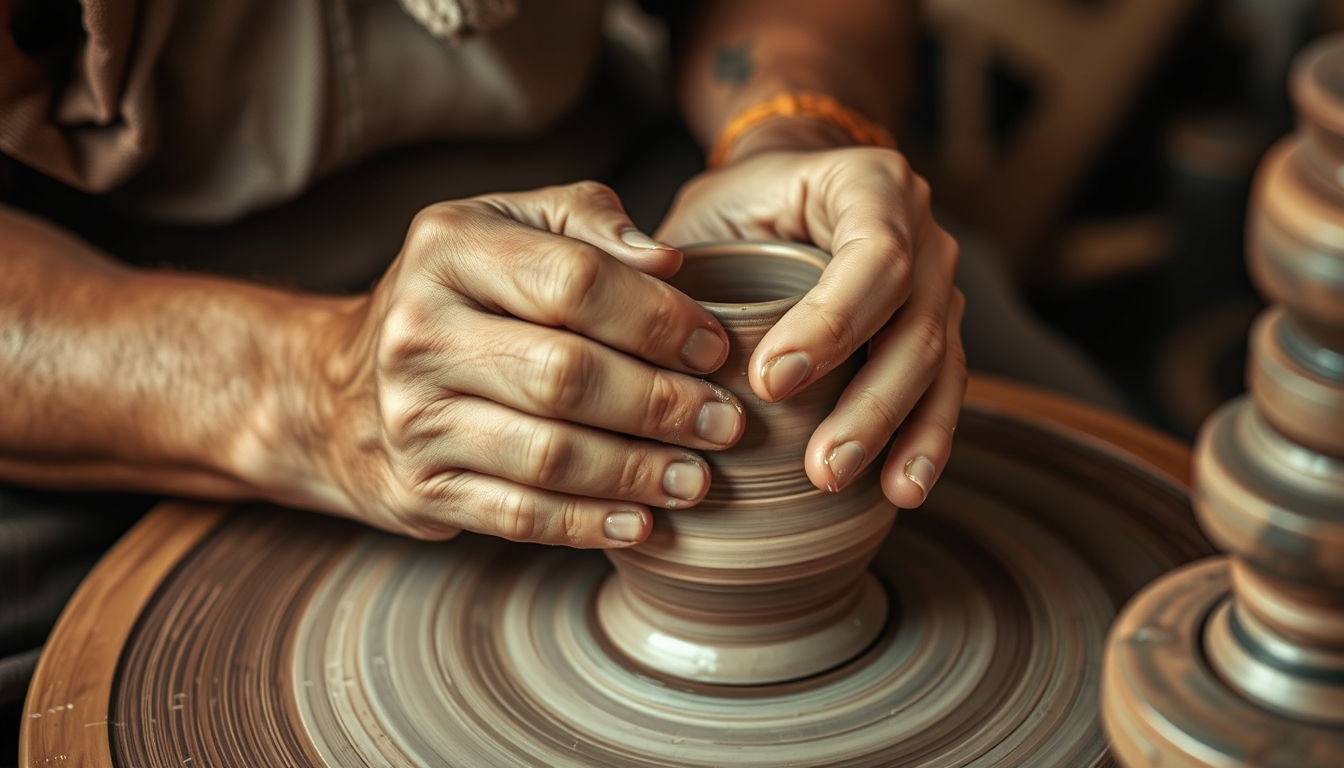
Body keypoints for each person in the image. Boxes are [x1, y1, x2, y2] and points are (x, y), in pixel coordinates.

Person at [0, 0, 965, 551]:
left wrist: (790, 122)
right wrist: (312, 390)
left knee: (964, 386)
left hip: (629, 201)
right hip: (122, 310)